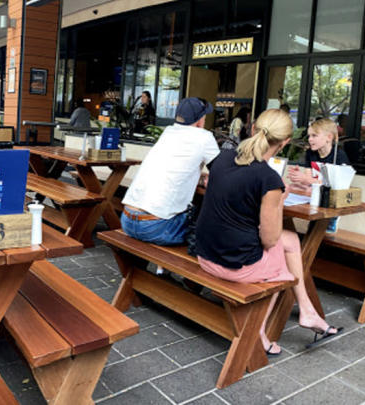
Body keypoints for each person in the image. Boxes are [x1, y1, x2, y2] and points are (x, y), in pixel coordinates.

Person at [194, 109, 340, 355]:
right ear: (284, 143)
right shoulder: (268, 178)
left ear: (253, 130)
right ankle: (258, 332)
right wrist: (280, 199)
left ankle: (307, 310)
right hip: (233, 266)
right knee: (282, 265)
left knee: (291, 240)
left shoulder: (223, 158)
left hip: (204, 254)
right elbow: (269, 239)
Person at [121, 97, 220, 245]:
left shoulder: (168, 132)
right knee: (211, 229)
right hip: (157, 227)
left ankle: (154, 268)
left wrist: (199, 178)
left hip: (127, 220)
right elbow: (221, 173)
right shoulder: (204, 137)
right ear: (200, 120)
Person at [287, 118, 349, 195]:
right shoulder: (310, 152)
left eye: (314, 135)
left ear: (329, 137)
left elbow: (337, 186)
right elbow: (308, 182)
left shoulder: (339, 156)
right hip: (315, 193)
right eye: (309, 136)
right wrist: (298, 176)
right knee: (292, 186)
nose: (310, 139)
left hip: (330, 197)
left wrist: (306, 179)